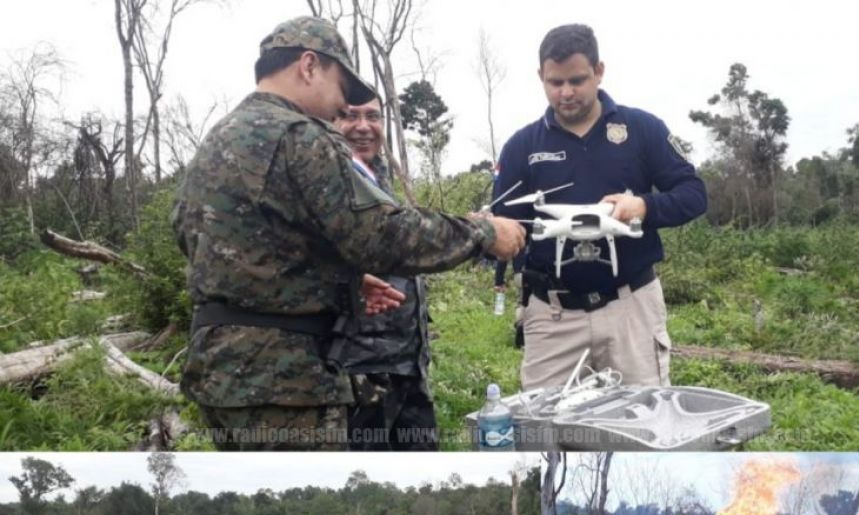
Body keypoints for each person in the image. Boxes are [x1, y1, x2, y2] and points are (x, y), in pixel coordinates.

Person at [173, 16, 525, 450]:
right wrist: (482, 233)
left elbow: (205, 241)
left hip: (217, 372)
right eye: (341, 89)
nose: (341, 107)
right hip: (284, 383)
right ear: (308, 66)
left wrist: (342, 283)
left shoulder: (219, 139)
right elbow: (380, 235)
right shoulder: (299, 135)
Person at [492, 24, 707, 391]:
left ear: (599, 71)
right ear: (540, 77)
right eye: (555, 82)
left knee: (642, 428)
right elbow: (502, 221)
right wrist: (494, 238)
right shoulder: (522, 146)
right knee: (545, 432)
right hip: (552, 315)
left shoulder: (642, 130)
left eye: (577, 80)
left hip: (631, 309)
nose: (566, 92)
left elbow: (694, 194)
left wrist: (644, 205)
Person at [328, 97, 437, 450]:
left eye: (373, 116)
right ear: (331, 121)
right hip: (361, 369)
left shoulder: (380, 176)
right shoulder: (326, 180)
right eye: (350, 116)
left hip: (409, 364)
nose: (363, 126)